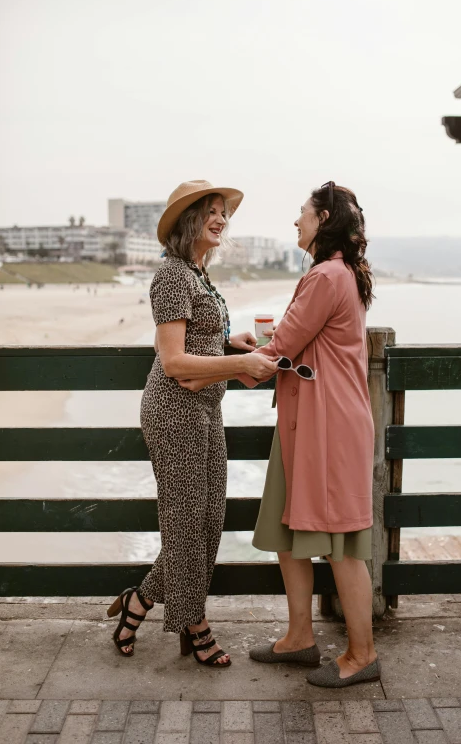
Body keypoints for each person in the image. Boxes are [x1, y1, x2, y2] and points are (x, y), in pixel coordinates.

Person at [106, 180, 278, 667]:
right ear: (189, 221)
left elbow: (198, 344)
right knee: (185, 529)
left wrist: (231, 344)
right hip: (173, 412)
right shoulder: (172, 277)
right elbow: (176, 364)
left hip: (206, 409)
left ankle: (135, 605)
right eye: (211, 212)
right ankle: (195, 625)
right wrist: (243, 366)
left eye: (224, 213)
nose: (221, 220)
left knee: (207, 524)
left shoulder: (200, 276)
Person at [243, 182, 379, 688]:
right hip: (304, 424)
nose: (295, 222)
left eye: (301, 214)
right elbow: (292, 345)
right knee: (287, 529)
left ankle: (362, 654)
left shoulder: (326, 275)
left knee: (341, 542)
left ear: (323, 219)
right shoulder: (335, 273)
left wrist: (213, 367)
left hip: (329, 428)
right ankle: (300, 636)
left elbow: (282, 347)